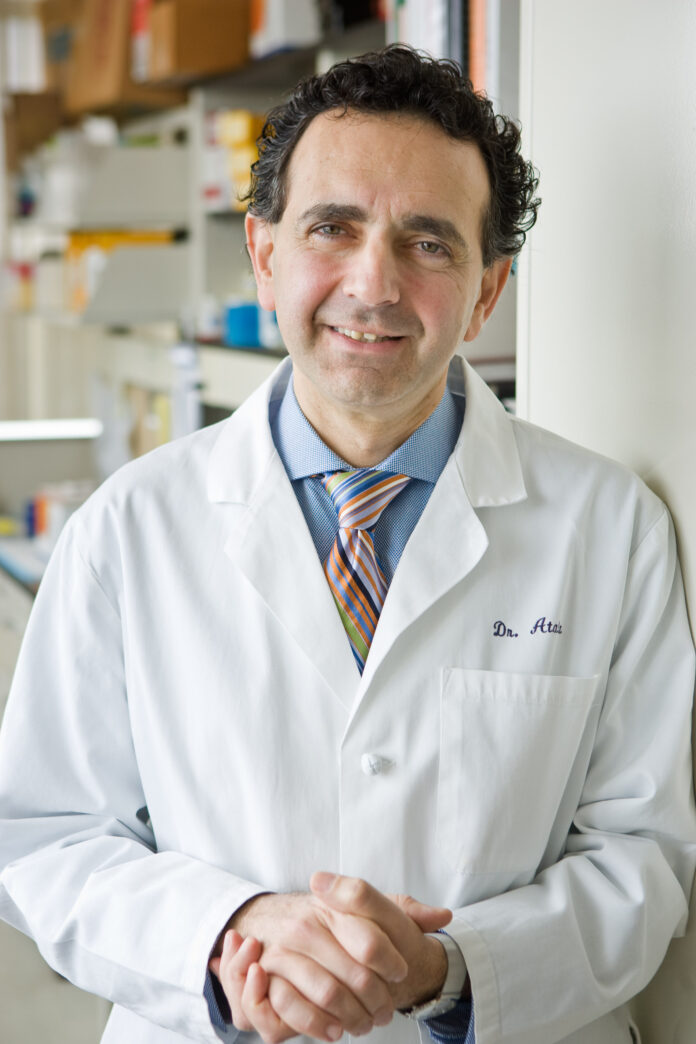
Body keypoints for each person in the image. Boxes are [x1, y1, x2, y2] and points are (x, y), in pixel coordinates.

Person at [0, 44, 694, 1044]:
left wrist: (450, 969)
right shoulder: (130, 525)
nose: (374, 284)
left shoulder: (610, 525)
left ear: (487, 291)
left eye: (429, 243)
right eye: (334, 227)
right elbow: (45, 837)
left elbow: (643, 858)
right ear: (265, 252)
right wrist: (231, 935)